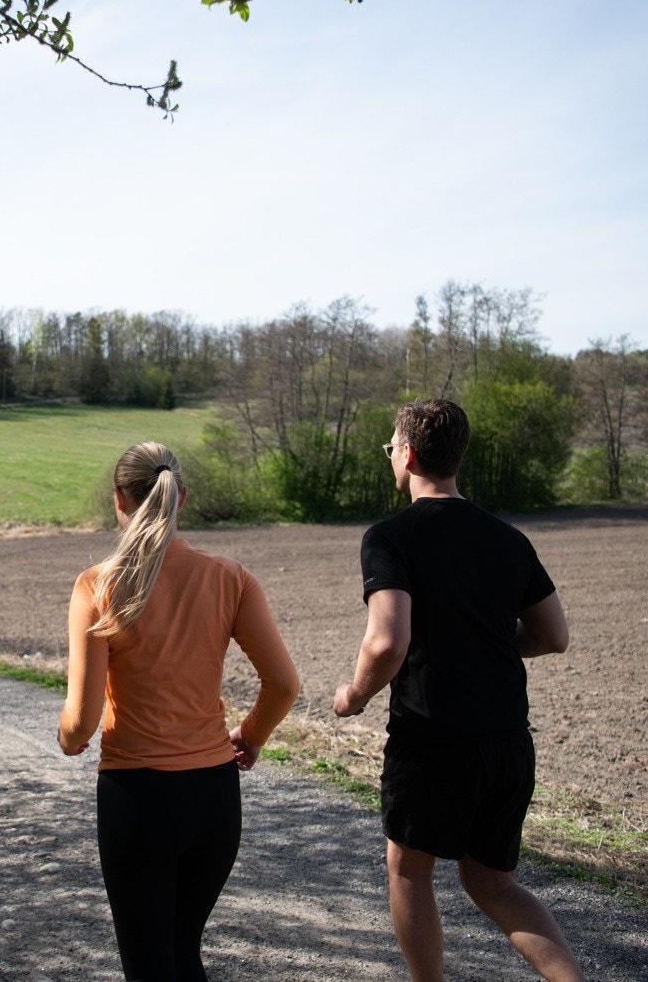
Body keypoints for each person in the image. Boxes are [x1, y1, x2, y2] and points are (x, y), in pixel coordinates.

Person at [331, 400, 583, 982]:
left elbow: (386, 643)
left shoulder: (391, 537)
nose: (391, 455)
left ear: (410, 455)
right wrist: (482, 640)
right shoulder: (507, 538)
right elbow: (554, 636)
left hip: (433, 740)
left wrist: (354, 697)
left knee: (409, 871)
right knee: (494, 883)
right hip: (506, 742)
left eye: (392, 445)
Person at [59, 441, 300, 982]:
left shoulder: (98, 586)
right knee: (182, 954)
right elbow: (284, 684)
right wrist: (251, 735)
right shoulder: (231, 578)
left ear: (118, 499)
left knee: (150, 968)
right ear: (181, 497)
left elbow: (81, 721)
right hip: (215, 798)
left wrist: (68, 739)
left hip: (139, 799)